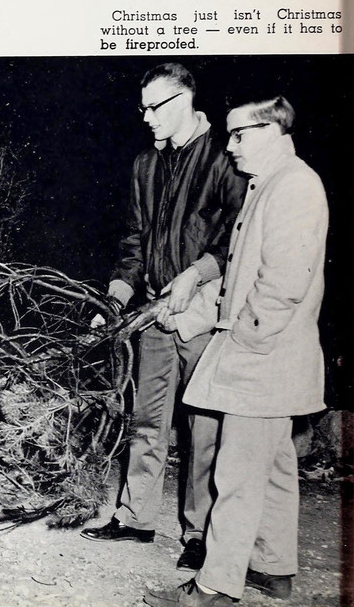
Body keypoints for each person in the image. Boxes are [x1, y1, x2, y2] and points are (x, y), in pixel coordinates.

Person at [144, 95, 328, 606]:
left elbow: (282, 285)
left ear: (272, 131)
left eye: (239, 134)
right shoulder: (268, 184)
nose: (230, 146)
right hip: (270, 355)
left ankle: (214, 587)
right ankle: (272, 568)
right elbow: (239, 280)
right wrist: (193, 317)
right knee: (273, 466)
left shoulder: (293, 186)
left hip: (264, 358)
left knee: (237, 473)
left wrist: (244, 340)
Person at [81, 63, 246, 572]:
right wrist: (114, 299)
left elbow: (239, 236)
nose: (147, 117)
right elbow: (135, 241)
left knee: (203, 427)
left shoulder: (225, 158)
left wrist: (196, 275)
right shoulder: (145, 165)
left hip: (203, 314)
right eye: (143, 107)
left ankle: (200, 533)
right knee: (148, 419)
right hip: (154, 310)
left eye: (155, 106)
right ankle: (136, 518)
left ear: (186, 99)